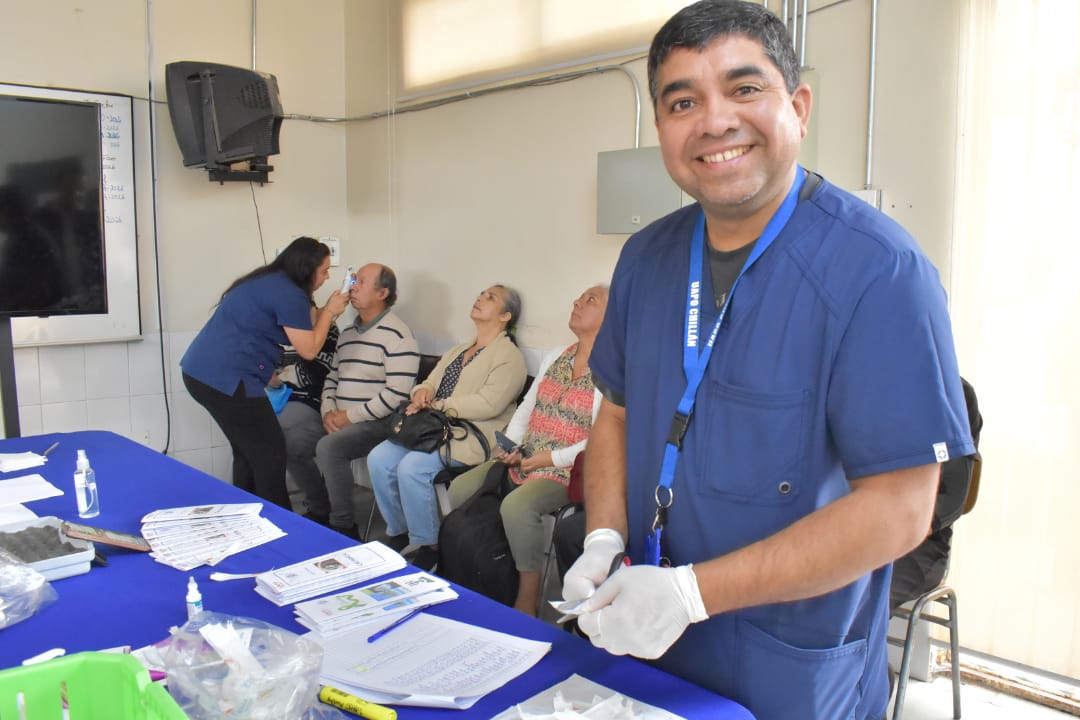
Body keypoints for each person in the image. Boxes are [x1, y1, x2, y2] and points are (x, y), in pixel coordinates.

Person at [561, 3, 975, 719]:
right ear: (660, 128)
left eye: (744, 89)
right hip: (644, 637)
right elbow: (618, 415)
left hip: (789, 660)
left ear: (799, 106)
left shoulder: (879, 271)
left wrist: (692, 594)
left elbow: (901, 510)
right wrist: (603, 536)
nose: (714, 121)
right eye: (683, 102)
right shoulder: (646, 259)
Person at [447, 285, 607, 615]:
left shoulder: (613, 371)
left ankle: (527, 591)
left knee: (518, 507)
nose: (577, 302)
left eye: (590, 300)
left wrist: (550, 458)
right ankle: (490, 565)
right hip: (528, 454)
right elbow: (527, 408)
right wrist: (513, 446)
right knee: (460, 488)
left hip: (567, 468)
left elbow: (601, 438)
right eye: (579, 297)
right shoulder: (557, 355)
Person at [367, 285, 527, 571]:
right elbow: (430, 382)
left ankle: (428, 544)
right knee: (378, 458)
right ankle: (399, 531)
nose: (480, 298)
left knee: (413, 467)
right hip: (432, 428)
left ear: (505, 316)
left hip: (469, 436)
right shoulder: (460, 349)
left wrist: (439, 405)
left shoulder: (509, 356)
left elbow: (489, 404)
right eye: (481, 293)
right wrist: (421, 393)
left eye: (490, 298)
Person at [181, 237, 349, 508]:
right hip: (227, 379)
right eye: (324, 271)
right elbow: (309, 350)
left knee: (248, 452)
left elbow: (305, 321)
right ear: (307, 270)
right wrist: (330, 311)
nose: (327, 277)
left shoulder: (270, 281)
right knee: (270, 453)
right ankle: (278, 523)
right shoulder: (289, 293)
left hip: (201, 373)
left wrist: (329, 309)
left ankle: (247, 518)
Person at [309, 263, 420, 539]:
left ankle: (343, 526)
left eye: (361, 282)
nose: (353, 286)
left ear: (382, 293)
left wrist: (349, 417)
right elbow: (332, 377)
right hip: (339, 418)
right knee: (295, 437)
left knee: (329, 447)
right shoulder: (348, 333)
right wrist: (328, 411)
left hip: (380, 422)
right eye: (354, 280)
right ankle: (318, 508)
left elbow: (397, 395)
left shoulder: (398, 335)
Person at [890, 377, 982, 613]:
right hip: (857, 526)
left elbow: (951, 499)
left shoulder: (955, 395)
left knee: (860, 599)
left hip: (919, 544)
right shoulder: (865, 384)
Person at [270, 303, 339, 520]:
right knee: (253, 433)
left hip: (311, 401)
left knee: (286, 441)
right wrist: (270, 375)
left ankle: (319, 506)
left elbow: (316, 372)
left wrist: (278, 377)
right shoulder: (281, 327)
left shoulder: (327, 328)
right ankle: (267, 505)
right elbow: (264, 363)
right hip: (278, 397)